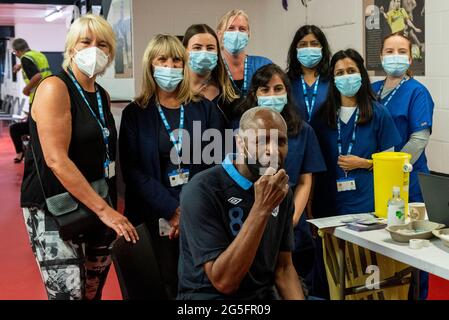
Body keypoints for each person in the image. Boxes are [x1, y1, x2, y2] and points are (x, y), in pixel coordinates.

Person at [20, 14, 138, 300]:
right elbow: (56, 160)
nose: (94, 49)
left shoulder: (102, 95)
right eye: (86, 41)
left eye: (103, 44)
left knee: (91, 292)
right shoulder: (53, 88)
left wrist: (105, 207)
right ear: (72, 47)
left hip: (95, 199)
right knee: (68, 295)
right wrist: (105, 210)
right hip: (54, 206)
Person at [119, 34, 223, 299]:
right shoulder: (135, 113)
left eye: (177, 60)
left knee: (197, 285)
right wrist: (171, 209)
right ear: (150, 65)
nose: (171, 66)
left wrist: (188, 208)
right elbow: (133, 170)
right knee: (160, 284)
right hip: (154, 215)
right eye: (162, 59)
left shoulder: (204, 109)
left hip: (199, 215)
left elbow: (214, 163)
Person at [178, 107, 305, 300]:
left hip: (261, 295)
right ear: (240, 142)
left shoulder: (282, 192)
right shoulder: (202, 189)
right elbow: (224, 282)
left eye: (281, 141)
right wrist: (262, 208)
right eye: (262, 141)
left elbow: (284, 268)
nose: (273, 151)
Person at [239, 63, 326, 286]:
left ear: (287, 92)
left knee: (296, 282)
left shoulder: (303, 130)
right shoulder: (241, 131)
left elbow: (306, 181)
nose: (272, 95)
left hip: (294, 226)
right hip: (252, 220)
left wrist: (293, 217)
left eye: (278, 89)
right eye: (264, 90)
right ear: (254, 94)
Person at [372, 33, 434, 300]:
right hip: (375, 179)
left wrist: (390, 166)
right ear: (381, 56)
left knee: (413, 249)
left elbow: (419, 139)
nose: (394, 55)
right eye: (389, 50)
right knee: (381, 246)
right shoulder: (372, 90)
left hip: (410, 182)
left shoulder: (417, 92)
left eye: (400, 51)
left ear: (410, 58)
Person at [312, 49, 401, 217]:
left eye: (351, 71)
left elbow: (391, 165)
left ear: (361, 74)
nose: (346, 76)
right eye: (340, 73)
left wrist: (365, 163)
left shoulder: (379, 113)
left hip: (368, 202)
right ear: (333, 78)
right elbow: (312, 164)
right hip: (329, 202)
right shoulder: (321, 117)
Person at [216, 9, 272, 126]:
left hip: (259, 134)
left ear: (248, 34)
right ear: (219, 34)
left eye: (242, 29)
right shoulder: (215, 69)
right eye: (231, 28)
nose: (237, 33)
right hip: (220, 137)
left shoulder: (263, 65)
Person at [182, 23, 238, 129]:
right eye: (197, 48)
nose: (204, 53)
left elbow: (238, 136)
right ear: (185, 51)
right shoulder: (174, 90)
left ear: (217, 52)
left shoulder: (230, 94)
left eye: (210, 48)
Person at [10, 38, 52, 163]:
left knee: (18, 129)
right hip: (48, 96)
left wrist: (26, 89)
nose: (16, 56)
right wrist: (20, 65)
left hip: (37, 98)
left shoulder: (25, 58)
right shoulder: (38, 55)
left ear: (17, 51)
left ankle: (23, 153)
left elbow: (37, 76)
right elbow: (37, 68)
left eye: (15, 53)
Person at [287, 25, 331, 124]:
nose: (309, 48)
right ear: (296, 49)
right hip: (297, 137)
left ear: (322, 48)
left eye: (314, 44)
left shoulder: (333, 79)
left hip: (327, 138)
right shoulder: (286, 81)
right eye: (303, 44)